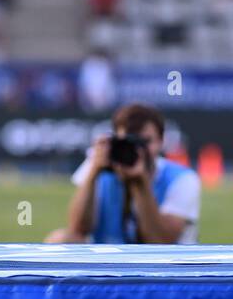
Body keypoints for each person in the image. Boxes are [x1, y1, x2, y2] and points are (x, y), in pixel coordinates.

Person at [46, 102, 200, 245]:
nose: (138, 151)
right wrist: (94, 172)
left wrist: (141, 183)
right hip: (112, 259)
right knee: (60, 240)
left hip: (163, 266)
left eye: (144, 142)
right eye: (129, 143)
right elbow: (78, 228)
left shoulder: (182, 179)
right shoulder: (102, 164)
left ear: (161, 141)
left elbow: (160, 242)